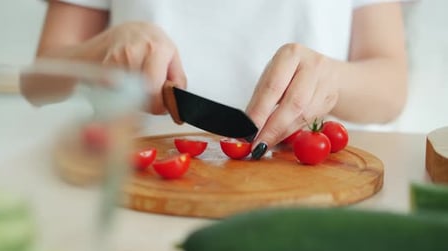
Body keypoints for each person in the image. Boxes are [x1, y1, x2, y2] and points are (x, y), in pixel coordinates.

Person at [34, 0, 409, 159]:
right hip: (126, 180)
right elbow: (38, 82)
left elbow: (391, 89)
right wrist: (102, 50)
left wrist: (334, 79)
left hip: (312, 190)